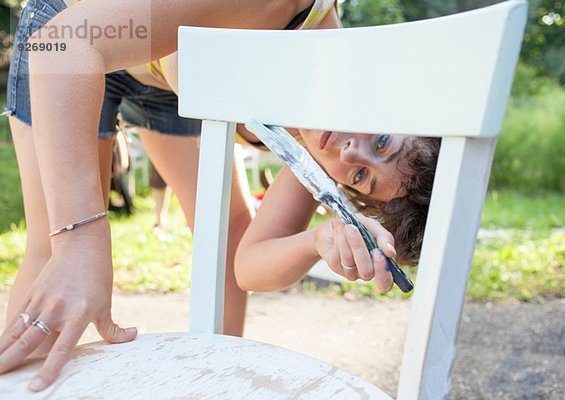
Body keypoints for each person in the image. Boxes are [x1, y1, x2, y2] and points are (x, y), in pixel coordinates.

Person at [0, 0, 439, 392]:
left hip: (168, 82)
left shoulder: (325, 145)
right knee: (56, 253)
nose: (350, 151)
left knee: (227, 232)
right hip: (75, 33)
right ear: (392, 94)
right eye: (383, 140)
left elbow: (247, 265)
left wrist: (316, 241)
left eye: (361, 175)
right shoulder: (280, 9)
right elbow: (66, 41)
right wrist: (80, 244)